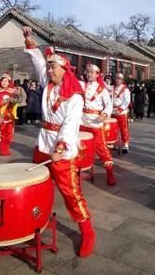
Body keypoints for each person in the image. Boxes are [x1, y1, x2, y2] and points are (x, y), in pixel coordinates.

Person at [23, 27, 95, 257]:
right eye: (49, 67)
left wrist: (61, 147)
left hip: (62, 151)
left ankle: (87, 231)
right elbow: (37, 64)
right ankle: (34, 220)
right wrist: (29, 42)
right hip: (43, 144)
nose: (49, 70)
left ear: (65, 70)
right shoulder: (48, 86)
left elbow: (70, 125)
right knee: (36, 186)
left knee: (70, 193)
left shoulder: (74, 97)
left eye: (53, 67)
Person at [79, 63, 116, 185]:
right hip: (81, 120)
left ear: (97, 74)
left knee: (101, 147)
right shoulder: (82, 85)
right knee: (79, 146)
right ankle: (78, 168)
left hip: (95, 121)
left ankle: (110, 172)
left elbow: (109, 105)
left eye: (91, 72)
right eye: (87, 72)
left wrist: (104, 115)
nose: (89, 74)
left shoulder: (102, 89)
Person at [0, 73, 18, 156]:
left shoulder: (13, 91)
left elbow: (16, 100)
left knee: (9, 132)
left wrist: (13, 101)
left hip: (10, 115)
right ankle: (3, 149)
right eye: (3, 81)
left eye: (6, 81)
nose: (4, 82)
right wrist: (5, 101)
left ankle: (6, 147)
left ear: (9, 82)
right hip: (0, 115)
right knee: (1, 133)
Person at [112, 73, 131, 154]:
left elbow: (127, 101)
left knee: (123, 129)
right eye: (116, 78)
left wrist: (121, 108)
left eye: (119, 78)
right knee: (114, 129)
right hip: (113, 110)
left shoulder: (125, 90)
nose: (117, 80)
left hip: (121, 112)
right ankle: (114, 143)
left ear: (122, 80)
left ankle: (125, 144)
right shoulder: (112, 88)